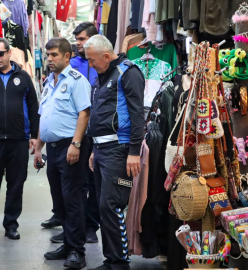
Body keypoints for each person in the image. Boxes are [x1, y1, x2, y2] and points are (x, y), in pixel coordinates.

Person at [84, 35, 145, 270]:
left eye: (92, 60)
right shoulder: (104, 74)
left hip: (119, 150)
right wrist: (93, 148)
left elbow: (138, 115)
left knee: (112, 205)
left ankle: (120, 263)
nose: (90, 64)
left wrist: (134, 152)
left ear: (106, 56)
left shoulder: (128, 73)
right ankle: (111, 259)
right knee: (102, 206)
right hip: (101, 149)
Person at [33, 37, 91, 269]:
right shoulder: (49, 82)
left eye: (54, 55)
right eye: (47, 55)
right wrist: (38, 148)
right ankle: (67, 244)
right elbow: (43, 116)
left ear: (67, 56)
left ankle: (78, 250)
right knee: (60, 200)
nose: (49, 59)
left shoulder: (77, 81)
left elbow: (84, 114)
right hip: (53, 149)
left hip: (70, 147)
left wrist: (76, 144)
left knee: (73, 199)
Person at [0, 38, 39, 240]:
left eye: (0, 54)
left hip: (18, 140)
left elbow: (33, 107)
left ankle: (11, 224)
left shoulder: (24, 77)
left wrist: (34, 136)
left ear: (9, 53)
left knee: (16, 183)